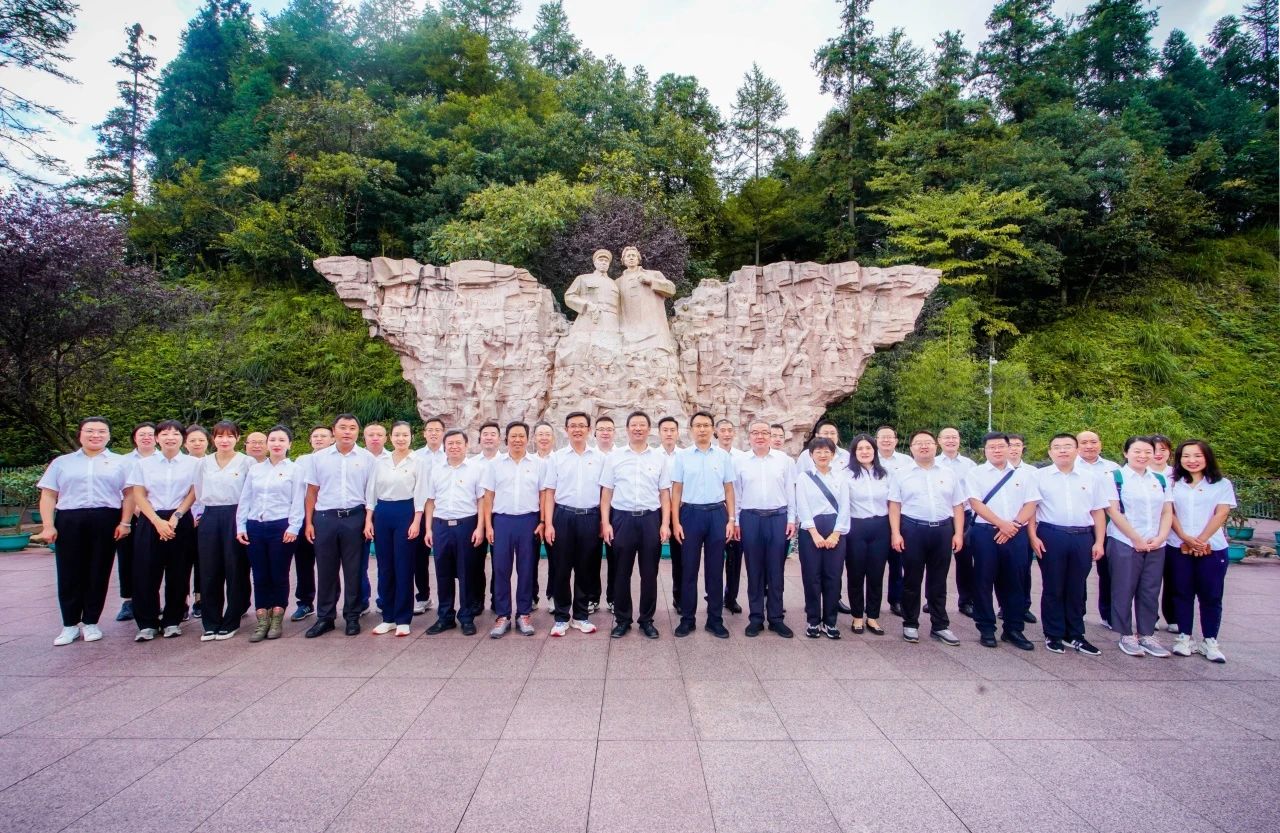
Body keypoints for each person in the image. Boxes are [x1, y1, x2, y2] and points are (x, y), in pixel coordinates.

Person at [36, 417, 134, 646]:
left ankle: (91, 622)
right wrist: (48, 525)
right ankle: (69, 625)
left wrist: (125, 522)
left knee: (99, 570)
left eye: (101, 431)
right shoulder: (62, 462)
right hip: (70, 518)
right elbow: (48, 494)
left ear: (109, 435)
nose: (95, 435)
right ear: (80, 434)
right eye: (90, 431)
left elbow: (130, 494)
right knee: (68, 571)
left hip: (106, 517)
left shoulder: (120, 462)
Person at [1028, 433, 1107, 655]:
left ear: (1076, 450)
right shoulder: (1039, 477)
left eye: (1068, 446)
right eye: (1057, 447)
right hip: (1051, 534)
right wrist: (1033, 536)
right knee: (1053, 585)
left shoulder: (1091, 477)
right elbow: (1031, 509)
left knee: (1077, 587)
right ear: (1050, 452)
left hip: (1082, 536)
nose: (1062, 450)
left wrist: (1099, 541)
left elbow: (1098, 511)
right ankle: (1053, 634)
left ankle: (1075, 634)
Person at [888, 430, 965, 646]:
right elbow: (894, 505)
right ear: (911, 448)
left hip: (942, 529)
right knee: (911, 579)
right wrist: (896, 533)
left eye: (928, 442)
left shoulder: (948, 473)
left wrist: (958, 533)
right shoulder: (901, 474)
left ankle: (940, 625)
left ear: (935, 446)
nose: (924, 446)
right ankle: (910, 623)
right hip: (913, 529)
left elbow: (958, 505)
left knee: (938, 580)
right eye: (918, 443)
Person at [965, 432, 1040, 651]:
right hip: (985, 533)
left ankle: (1013, 628)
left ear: (1010, 448)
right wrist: (1001, 524)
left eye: (1001, 446)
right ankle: (986, 628)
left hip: (1016, 533)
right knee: (983, 580)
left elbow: (1031, 503)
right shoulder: (975, 473)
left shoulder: (1025, 475)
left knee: (1015, 581)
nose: (997, 450)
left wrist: (1013, 525)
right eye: (992, 447)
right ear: (984, 451)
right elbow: (975, 503)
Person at [600, 411, 672, 639]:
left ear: (649, 429)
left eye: (642, 425)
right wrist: (606, 523)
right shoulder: (615, 457)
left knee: (650, 573)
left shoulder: (659, 458)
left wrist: (665, 524)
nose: (638, 428)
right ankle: (622, 620)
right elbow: (606, 493)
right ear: (627, 429)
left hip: (651, 519)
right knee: (621, 572)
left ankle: (646, 620)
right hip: (622, 519)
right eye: (634, 425)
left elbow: (665, 494)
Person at [126, 420, 199, 640]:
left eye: (176, 434)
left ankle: (172, 620)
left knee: (179, 571)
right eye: (165, 434)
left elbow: (193, 492)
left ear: (182, 439)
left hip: (180, 519)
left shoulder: (193, 464)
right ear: (157, 438)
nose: (170, 438)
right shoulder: (143, 464)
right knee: (146, 572)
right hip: (150, 519)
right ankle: (147, 623)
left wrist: (177, 516)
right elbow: (138, 494)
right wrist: (157, 521)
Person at [303, 414, 375, 638]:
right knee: (326, 569)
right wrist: (309, 522)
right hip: (325, 518)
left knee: (354, 570)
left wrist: (368, 520)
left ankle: (352, 616)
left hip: (355, 517)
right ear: (333, 431)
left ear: (357, 432)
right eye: (342, 427)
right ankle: (325, 617)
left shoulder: (367, 458)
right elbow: (312, 491)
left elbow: (370, 493)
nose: (347, 432)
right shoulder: (319, 458)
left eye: (352, 428)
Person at [1105, 436, 1174, 658]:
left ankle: (1146, 634)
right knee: (1123, 588)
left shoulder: (1160, 480)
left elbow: (1167, 511)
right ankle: (1125, 634)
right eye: (1137, 451)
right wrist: (1135, 538)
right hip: (1124, 541)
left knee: (1150, 589)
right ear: (1126, 453)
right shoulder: (1115, 477)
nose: (1143, 456)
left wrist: (1161, 537)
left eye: (1147, 452)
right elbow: (1113, 511)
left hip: (1155, 543)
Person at [1166, 440, 1234, 663]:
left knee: (1211, 595)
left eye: (1197, 455)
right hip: (1178, 546)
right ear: (1179, 459)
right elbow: (1169, 512)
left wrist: (1201, 540)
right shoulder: (1172, 482)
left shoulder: (1221, 484)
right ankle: (1184, 637)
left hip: (1212, 547)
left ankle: (1210, 640)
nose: (1192, 460)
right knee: (1181, 592)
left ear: (1207, 457)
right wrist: (1185, 537)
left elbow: (1221, 513)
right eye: (1186, 456)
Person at [236, 426, 305, 643]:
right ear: (267, 444)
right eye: (272, 439)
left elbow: (298, 500)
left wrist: (294, 527)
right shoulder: (256, 470)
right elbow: (246, 498)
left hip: (281, 526)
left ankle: (277, 617)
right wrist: (241, 526)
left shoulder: (295, 470)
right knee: (259, 575)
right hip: (255, 526)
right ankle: (262, 618)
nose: (276, 444)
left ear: (289, 444)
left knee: (279, 573)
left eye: (281, 440)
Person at [670, 412, 735, 639]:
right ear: (691, 429)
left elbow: (729, 489)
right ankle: (687, 619)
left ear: (713, 429)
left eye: (706, 425)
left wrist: (731, 519)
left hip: (717, 514)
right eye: (698, 425)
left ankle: (715, 620)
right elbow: (676, 490)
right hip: (690, 514)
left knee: (715, 570)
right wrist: (676, 522)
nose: (702, 429)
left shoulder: (723, 456)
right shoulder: (682, 456)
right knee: (688, 569)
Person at [540, 411, 604, 637]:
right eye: (573, 426)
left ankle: (581, 616)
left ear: (589, 430)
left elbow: (605, 493)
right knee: (561, 568)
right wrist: (549, 524)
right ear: (566, 430)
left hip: (590, 517)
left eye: (581, 425)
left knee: (586, 569)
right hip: (563, 516)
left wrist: (603, 521)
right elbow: (549, 492)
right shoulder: (557, 458)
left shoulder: (600, 458)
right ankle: (561, 617)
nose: (577, 429)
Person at [481, 422, 545, 638]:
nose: (517, 440)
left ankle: (524, 614)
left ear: (528, 439)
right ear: (506, 439)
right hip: (502, 521)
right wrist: (489, 525)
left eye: (521, 436)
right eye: (513, 436)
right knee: (501, 569)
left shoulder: (538, 464)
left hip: (529, 521)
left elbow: (543, 494)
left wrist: (543, 521)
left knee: (527, 569)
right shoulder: (495, 464)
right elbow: (488, 496)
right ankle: (503, 615)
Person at [364, 421, 426, 637]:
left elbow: (421, 494)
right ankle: (388, 617)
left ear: (411, 437)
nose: (401, 439)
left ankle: (403, 618)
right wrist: (369, 520)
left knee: (404, 566)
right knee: (385, 567)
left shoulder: (418, 461)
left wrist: (416, 521)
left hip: (406, 512)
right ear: (390, 437)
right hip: (383, 513)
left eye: (405, 435)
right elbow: (371, 492)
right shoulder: (380, 462)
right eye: (397, 435)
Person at [736, 420, 796, 638]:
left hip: (777, 518)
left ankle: (776, 618)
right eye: (755, 433)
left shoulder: (785, 461)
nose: (760, 436)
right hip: (750, 518)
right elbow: (737, 494)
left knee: (776, 570)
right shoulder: (740, 461)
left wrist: (791, 519)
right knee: (754, 569)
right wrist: (736, 521)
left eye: (764, 432)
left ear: (771, 436)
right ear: (749, 436)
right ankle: (756, 618)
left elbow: (791, 491)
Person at [423, 429, 486, 636]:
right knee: (443, 573)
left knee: (467, 573)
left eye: (459, 443)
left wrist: (480, 527)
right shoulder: (436, 470)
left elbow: (481, 500)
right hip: (441, 526)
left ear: (466, 445)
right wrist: (428, 529)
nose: (454, 447)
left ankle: (466, 617)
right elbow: (430, 501)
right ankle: (445, 617)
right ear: (445, 446)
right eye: (450, 443)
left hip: (466, 525)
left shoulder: (476, 469)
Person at [194, 421, 253, 641]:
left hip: (236, 514)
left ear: (238, 438)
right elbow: (198, 490)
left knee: (235, 568)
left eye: (230, 436)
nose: (224, 440)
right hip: (210, 515)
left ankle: (232, 619)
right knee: (209, 570)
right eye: (220, 436)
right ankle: (210, 622)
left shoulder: (246, 462)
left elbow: (250, 492)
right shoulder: (203, 463)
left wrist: (244, 520)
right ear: (213, 439)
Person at [796, 437, 848, 638]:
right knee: (812, 577)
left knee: (833, 576)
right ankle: (813, 621)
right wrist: (814, 533)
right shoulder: (804, 477)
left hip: (835, 529)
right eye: (818, 451)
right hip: (811, 531)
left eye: (827, 451)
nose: (823, 455)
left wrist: (836, 533)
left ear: (833, 455)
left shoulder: (841, 477)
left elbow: (845, 507)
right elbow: (802, 506)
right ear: (811, 455)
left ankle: (830, 621)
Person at [844, 434, 890, 636]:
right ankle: (856, 616)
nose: (864, 452)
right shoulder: (846, 475)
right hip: (856, 527)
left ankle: (872, 616)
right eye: (860, 448)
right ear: (854, 452)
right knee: (855, 573)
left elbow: (893, 502)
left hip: (881, 526)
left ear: (874, 450)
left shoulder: (885, 474)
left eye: (868, 448)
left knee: (876, 574)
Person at [1076, 430, 1120, 628]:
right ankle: (1078, 612)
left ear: (1100, 444)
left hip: (1110, 525)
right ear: (1077, 446)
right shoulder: (1070, 466)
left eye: (1093, 442)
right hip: (1082, 525)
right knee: (1078, 572)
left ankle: (1108, 614)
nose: (1089, 446)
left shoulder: (1114, 469)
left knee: (1109, 572)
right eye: (1084, 442)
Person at [289, 425, 332, 622]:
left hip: (327, 514)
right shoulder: (302, 461)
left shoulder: (336, 459)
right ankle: (305, 602)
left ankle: (329, 604)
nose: (319, 439)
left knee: (328, 563)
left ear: (332, 439)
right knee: (304, 561)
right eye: (315, 436)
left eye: (323, 436)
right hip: (303, 514)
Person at [114, 421, 155, 623]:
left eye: (150, 434)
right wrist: (135, 511)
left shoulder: (164, 458)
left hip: (158, 516)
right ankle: (128, 601)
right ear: (134, 438)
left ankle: (156, 602)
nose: (146, 438)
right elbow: (121, 490)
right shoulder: (123, 461)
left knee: (156, 561)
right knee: (127, 558)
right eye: (142, 434)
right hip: (129, 515)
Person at [937, 426, 978, 619]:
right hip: (941, 517)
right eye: (947, 437)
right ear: (939, 441)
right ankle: (933, 599)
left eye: (954, 437)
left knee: (965, 560)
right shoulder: (933, 462)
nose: (951, 440)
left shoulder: (970, 465)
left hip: (965, 516)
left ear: (959, 440)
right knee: (937, 561)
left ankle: (966, 600)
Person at [999, 432, 1039, 626]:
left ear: (1023, 447)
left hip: (1023, 527)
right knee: (1000, 570)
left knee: (1023, 569)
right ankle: (1003, 607)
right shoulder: (993, 471)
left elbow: (1033, 504)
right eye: (1010, 445)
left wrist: (1018, 526)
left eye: (1017, 444)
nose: (1013, 448)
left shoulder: (1032, 472)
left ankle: (1023, 606)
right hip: (998, 527)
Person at [466, 420, 503, 618]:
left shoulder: (505, 462)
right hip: (476, 518)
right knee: (475, 561)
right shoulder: (471, 464)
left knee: (499, 561)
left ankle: (498, 600)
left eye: (493, 434)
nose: (489, 437)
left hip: (499, 517)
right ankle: (476, 601)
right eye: (485, 434)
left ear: (499, 439)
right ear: (479, 438)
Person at [411, 416, 446, 616]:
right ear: (424, 433)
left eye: (437, 430)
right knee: (419, 557)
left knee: (446, 558)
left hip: (444, 512)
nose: (433, 433)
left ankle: (449, 600)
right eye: (430, 430)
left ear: (443, 433)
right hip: (421, 511)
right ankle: (423, 596)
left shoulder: (450, 453)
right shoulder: (415, 457)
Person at [716, 419, 750, 614]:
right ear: (716, 433)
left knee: (735, 558)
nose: (727, 434)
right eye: (723, 430)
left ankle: (731, 597)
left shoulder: (742, 457)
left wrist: (735, 517)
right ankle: (713, 595)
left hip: (735, 513)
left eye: (730, 430)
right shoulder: (710, 454)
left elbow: (742, 488)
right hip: (715, 511)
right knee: (714, 558)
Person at [657, 415, 684, 610]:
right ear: (659, 433)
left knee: (680, 557)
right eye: (665, 430)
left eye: (672, 430)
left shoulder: (684, 456)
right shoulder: (652, 455)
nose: (669, 433)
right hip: (655, 511)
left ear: (678, 433)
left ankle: (679, 598)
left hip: (680, 511)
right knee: (649, 558)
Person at [590, 415, 616, 614]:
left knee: (616, 556)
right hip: (591, 511)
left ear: (614, 432)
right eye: (601, 429)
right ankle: (592, 597)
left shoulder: (621, 455)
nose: (605, 433)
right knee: (591, 556)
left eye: (609, 429)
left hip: (615, 512)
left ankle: (614, 598)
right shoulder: (589, 455)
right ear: (595, 432)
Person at [184, 424, 210, 620]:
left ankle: (200, 599)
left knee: (203, 562)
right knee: (181, 562)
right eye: (192, 440)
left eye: (201, 440)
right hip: (182, 518)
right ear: (185, 443)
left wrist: (202, 515)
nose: (197, 443)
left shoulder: (212, 463)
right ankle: (181, 602)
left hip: (205, 519)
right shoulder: (180, 464)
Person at [531, 420, 555, 610]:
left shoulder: (560, 459)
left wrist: (547, 520)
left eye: (547, 434)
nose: (544, 438)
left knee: (556, 559)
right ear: (534, 438)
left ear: (553, 438)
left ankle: (553, 595)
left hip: (554, 516)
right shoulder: (529, 461)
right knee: (530, 559)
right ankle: (531, 596)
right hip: (532, 516)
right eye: (540, 434)